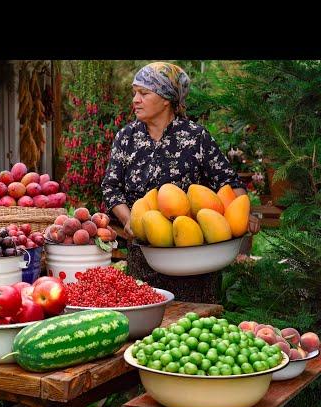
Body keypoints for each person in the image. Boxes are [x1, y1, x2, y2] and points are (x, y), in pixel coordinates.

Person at [101, 62, 260, 302]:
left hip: (193, 260)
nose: (135, 99)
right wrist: (128, 219)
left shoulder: (196, 136)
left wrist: (244, 211)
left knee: (194, 326)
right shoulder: (126, 137)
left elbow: (227, 180)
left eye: (143, 93)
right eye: (135, 93)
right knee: (147, 329)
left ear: (166, 98)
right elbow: (111, 188)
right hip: (145, 256)